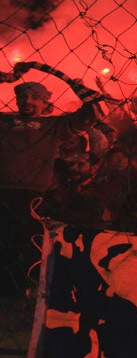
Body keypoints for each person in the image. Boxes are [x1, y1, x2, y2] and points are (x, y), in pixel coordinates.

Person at [1, 62, 106, 297]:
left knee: (26, 244)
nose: (27, 101)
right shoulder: (3, 121)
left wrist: (76, 87)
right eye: (22, 97)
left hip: (32, 196)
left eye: (34, 97)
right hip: (1, 192)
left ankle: (21, 293)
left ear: (45, 102)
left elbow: (94, 114)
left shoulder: (54, 125)